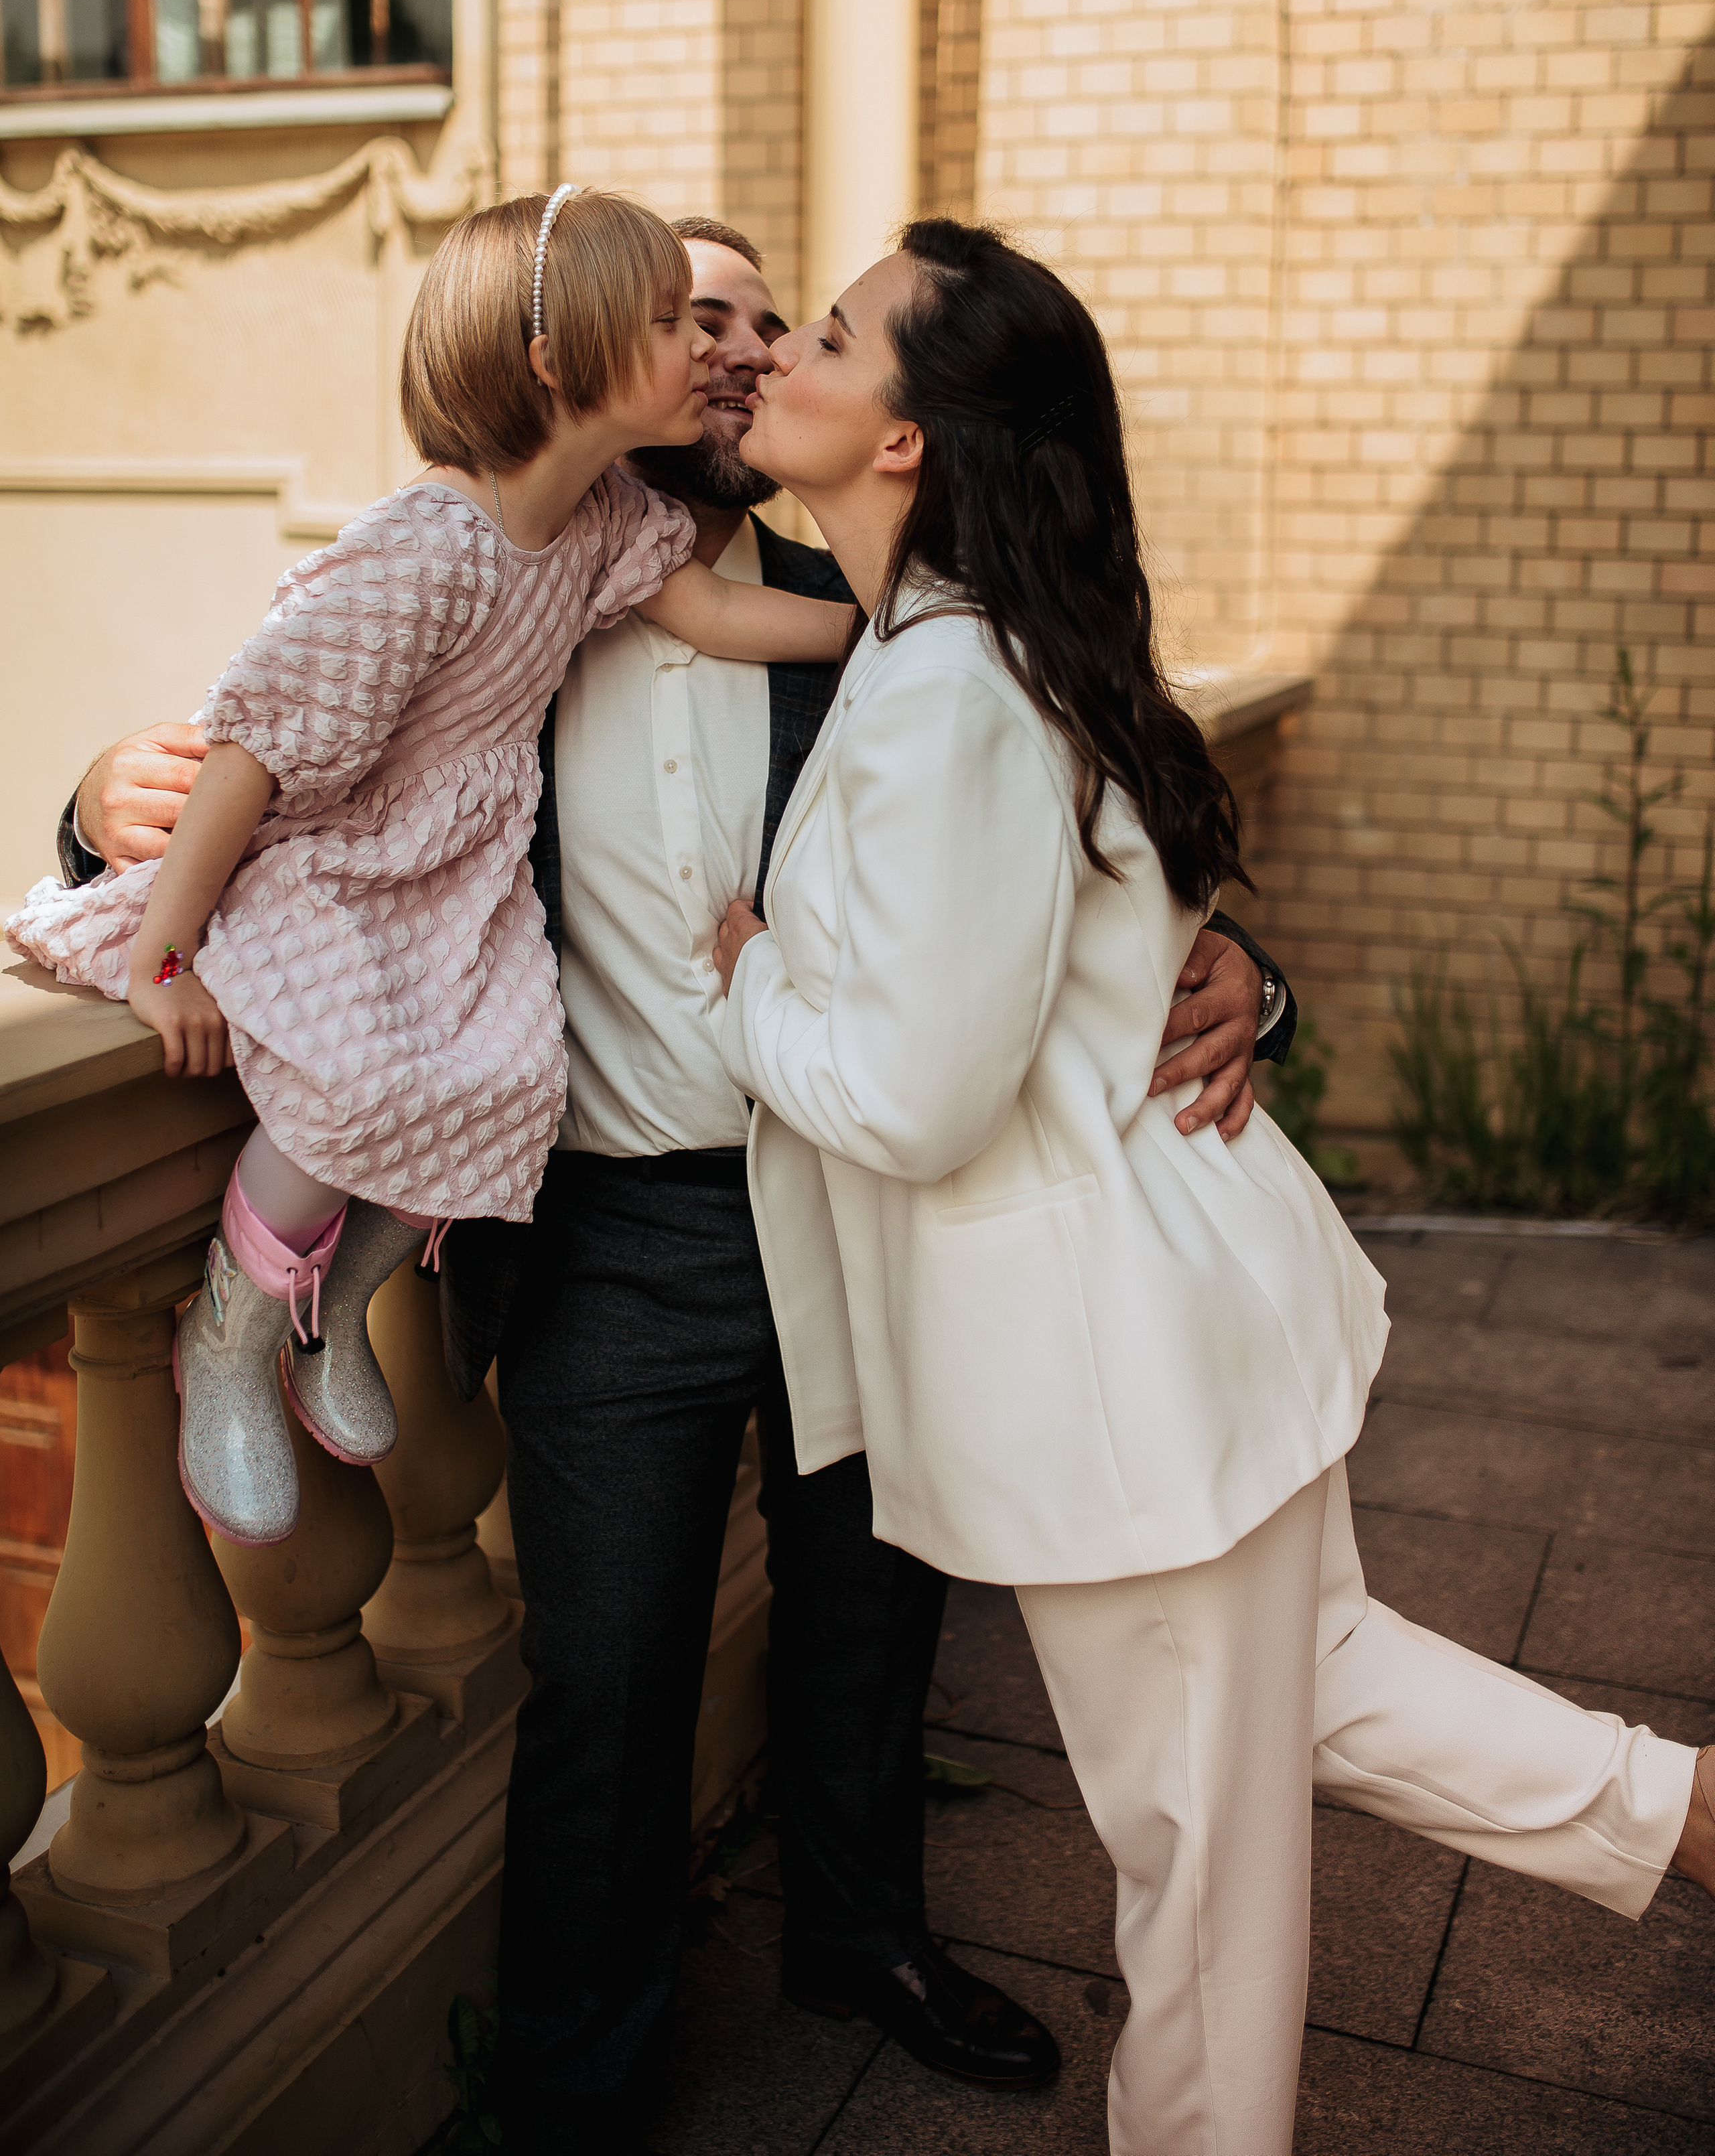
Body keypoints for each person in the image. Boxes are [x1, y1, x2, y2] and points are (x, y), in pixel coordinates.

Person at [56, 214, 1296, 2151]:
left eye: (756, 320)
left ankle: (861, 1945)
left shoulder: (877, 618)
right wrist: (90, 810)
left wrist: (1248, 970)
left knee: (870, 1618)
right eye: (696, 318)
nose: (732, 348)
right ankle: (578, 2076)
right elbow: (294, 742)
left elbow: (1085, 801)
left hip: (852, 1205)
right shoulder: (512, 588)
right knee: (608, 1675)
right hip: (612, 1233)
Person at [709, 214, 1715, 2156]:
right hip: (1181, 1324)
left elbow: (913, 1101)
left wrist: (751, 983)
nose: (785, 357)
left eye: (827, 337)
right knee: (1301, 1707)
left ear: (909, 438)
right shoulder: (983, 651)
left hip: (1120, 1381)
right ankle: (1683, 1814)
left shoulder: (945, 694)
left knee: (1197, 1873)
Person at [5, 184, 854, 1550]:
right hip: (338, 864)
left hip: (456, 882)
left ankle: (335, 1309)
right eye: (670, 323)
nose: (712, 353)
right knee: (348, 1072)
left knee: (513, 1073)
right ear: (554, 359)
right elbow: (248, 755)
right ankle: (233, 1323)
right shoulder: (422, 548)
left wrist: (887, 631)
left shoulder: (593, 526)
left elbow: (708, 609)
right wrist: (164, 956)